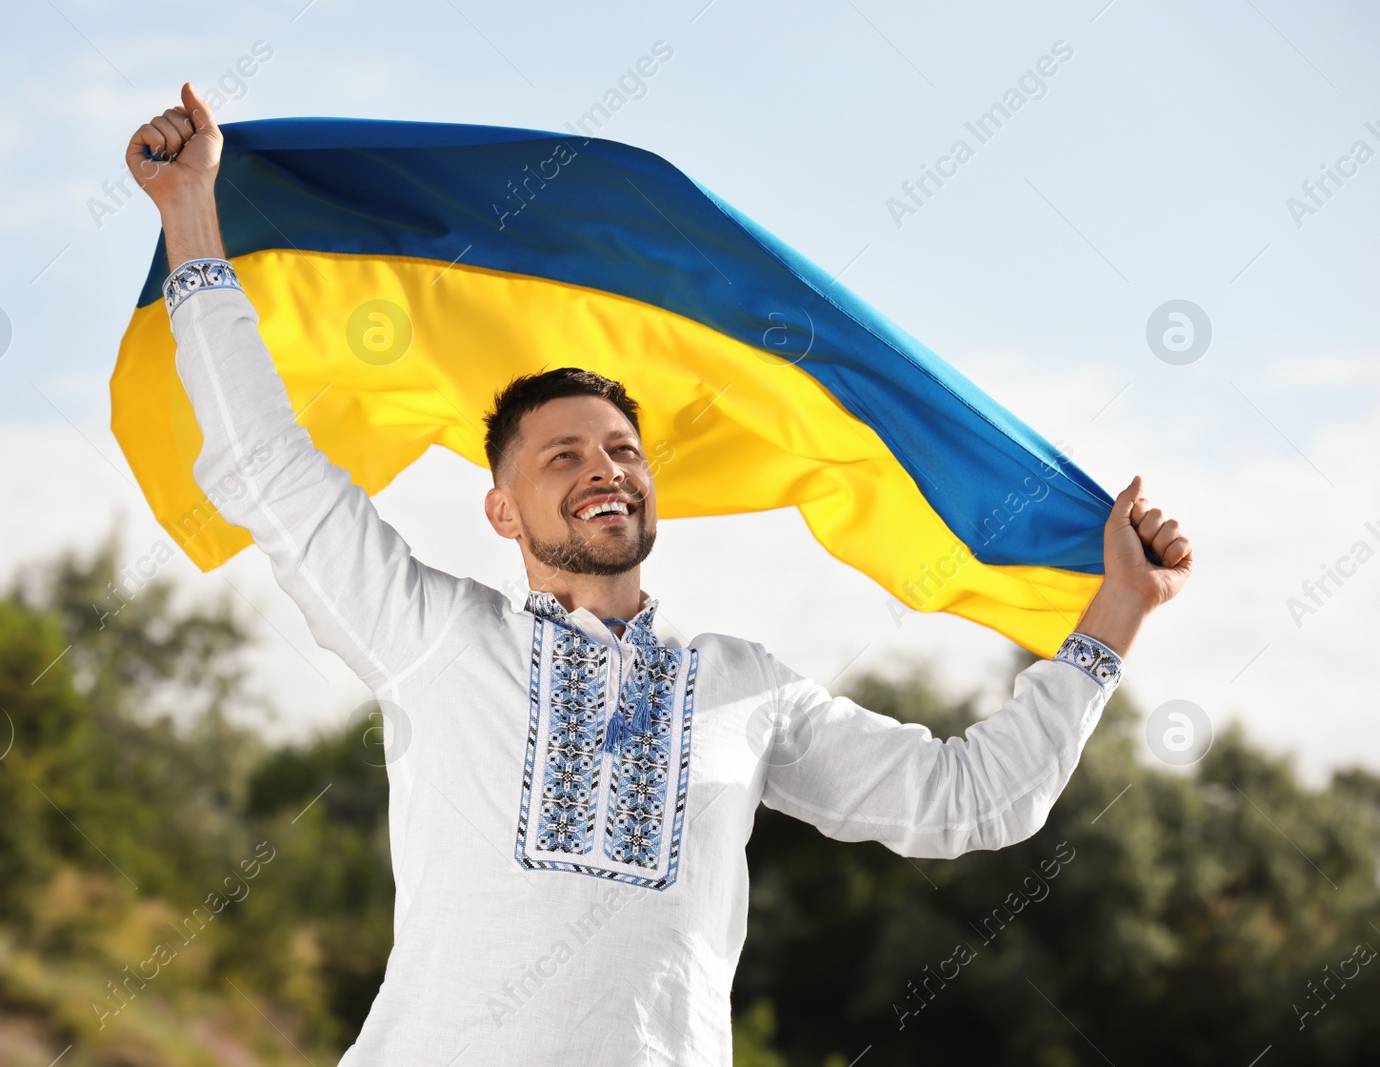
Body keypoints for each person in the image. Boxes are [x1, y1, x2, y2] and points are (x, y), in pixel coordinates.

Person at [125, 83, 1194, 1066]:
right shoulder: (433, 637)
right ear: (501, 509)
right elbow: (264, 460)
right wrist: (192, 215)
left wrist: (1115, 612)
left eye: (623, 451)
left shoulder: (744, 688)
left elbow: (970, 801)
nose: (603, 468)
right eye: (563, 454)